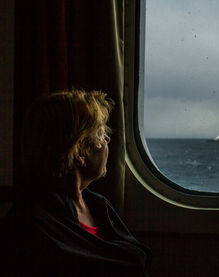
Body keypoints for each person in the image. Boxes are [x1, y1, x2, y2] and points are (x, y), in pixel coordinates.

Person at [1, 90, 151, 276]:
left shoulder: (98, 205)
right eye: (101, 133)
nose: (108, 140)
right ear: (79, 152)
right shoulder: (30, 223)